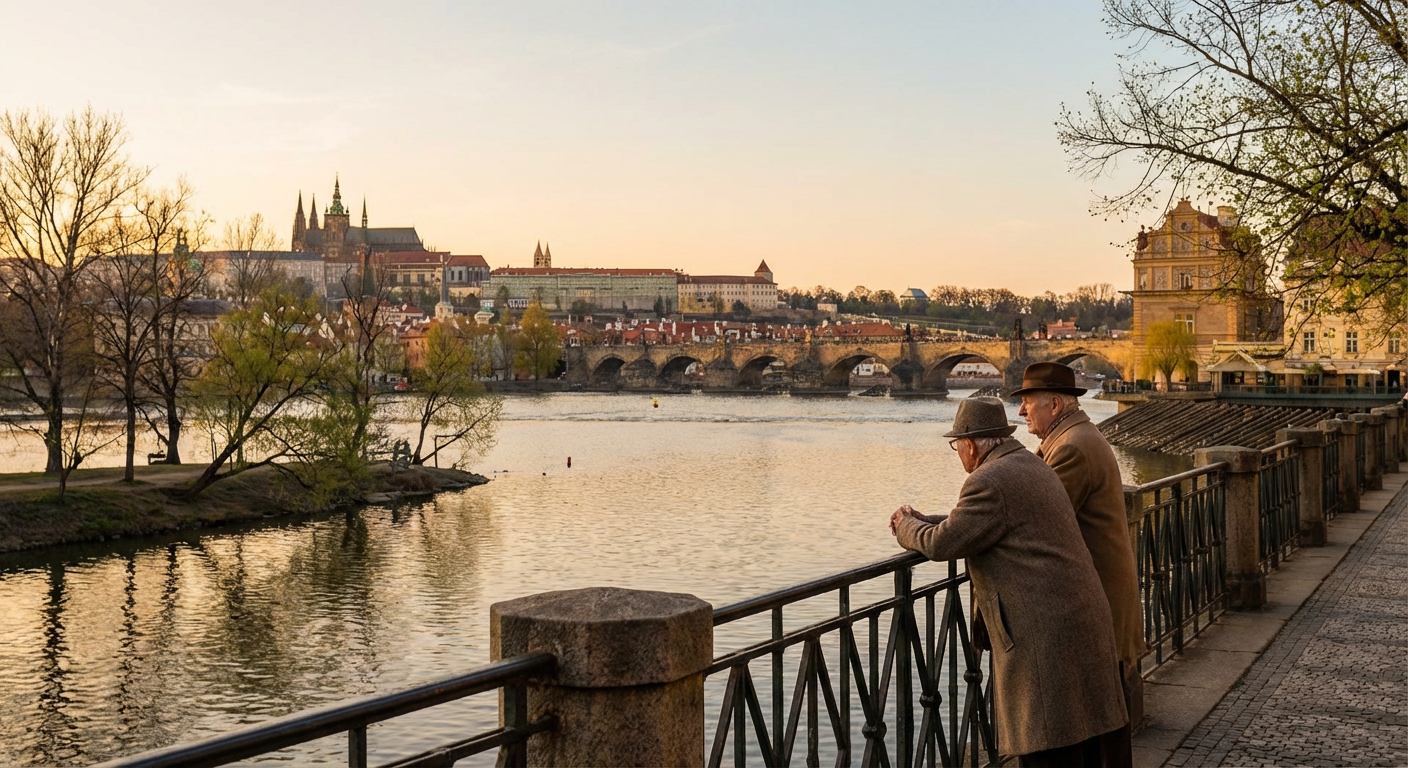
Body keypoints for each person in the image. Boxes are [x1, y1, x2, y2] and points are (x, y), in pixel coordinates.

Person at [890, 397, 1127, 766]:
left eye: (957, 446)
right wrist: (929, 518)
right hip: (1075, 621)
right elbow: (982, 521)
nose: (958, 454)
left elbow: (944, 542)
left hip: (1043, 637)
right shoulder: (1028, 464)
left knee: (1048, 744)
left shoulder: (988, 480)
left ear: (969, 445)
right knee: (1081, 744)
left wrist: (906, 526)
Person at [1014, 362, 1146, 742]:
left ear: (1054, 405)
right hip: (1101, 600)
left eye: (1027, 403)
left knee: (1099, 726)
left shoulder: (1072, 449)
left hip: (1095, 605)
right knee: (1104, 718)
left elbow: (1034, 520)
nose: (1022, 412)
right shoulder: (1073, 438)